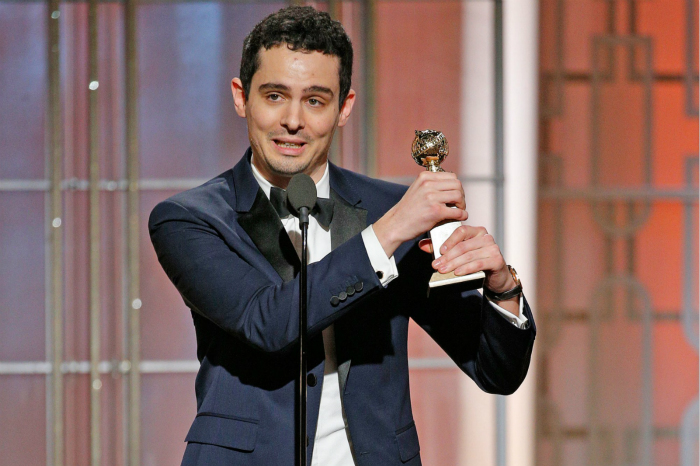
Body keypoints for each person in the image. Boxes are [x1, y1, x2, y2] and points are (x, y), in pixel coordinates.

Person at [149, 6, 535, 466]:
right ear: (241, 97)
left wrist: (503, 289)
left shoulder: (392, 210)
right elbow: (266, 323)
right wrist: (387, 233)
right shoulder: (189, 218)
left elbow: (496, 372)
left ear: (344, 108)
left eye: (315, 100)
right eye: (275, 96)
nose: (293, 120)